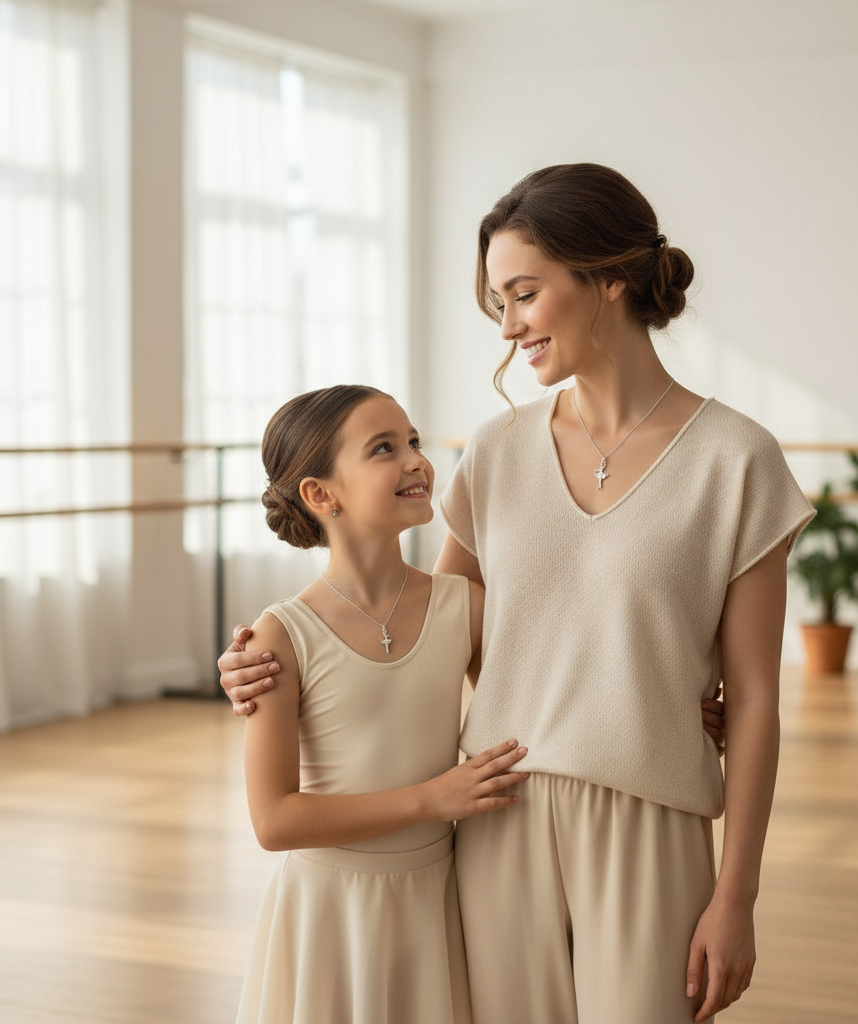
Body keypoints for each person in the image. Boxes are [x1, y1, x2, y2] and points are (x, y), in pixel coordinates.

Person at [223, 163, 813, 1024]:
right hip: (496, 816)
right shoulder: (497, 452)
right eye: (499, 303)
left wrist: (737, 897)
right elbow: (423, 631)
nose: (509, 326)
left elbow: (755, 698)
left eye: (524, 294)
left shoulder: (736, 459)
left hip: (649, 822)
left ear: (606, 278)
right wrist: (261, 665)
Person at [231, 383, 530, 1024]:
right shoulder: (280, 635)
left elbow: (537, 699)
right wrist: (432, 799)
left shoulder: (464, 607)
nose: (416, 460)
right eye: (384, 448)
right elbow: (273, 821)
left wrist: (674, 704)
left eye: (414, 441)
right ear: (320, 493)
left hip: (437, 897)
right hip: (329, 910)